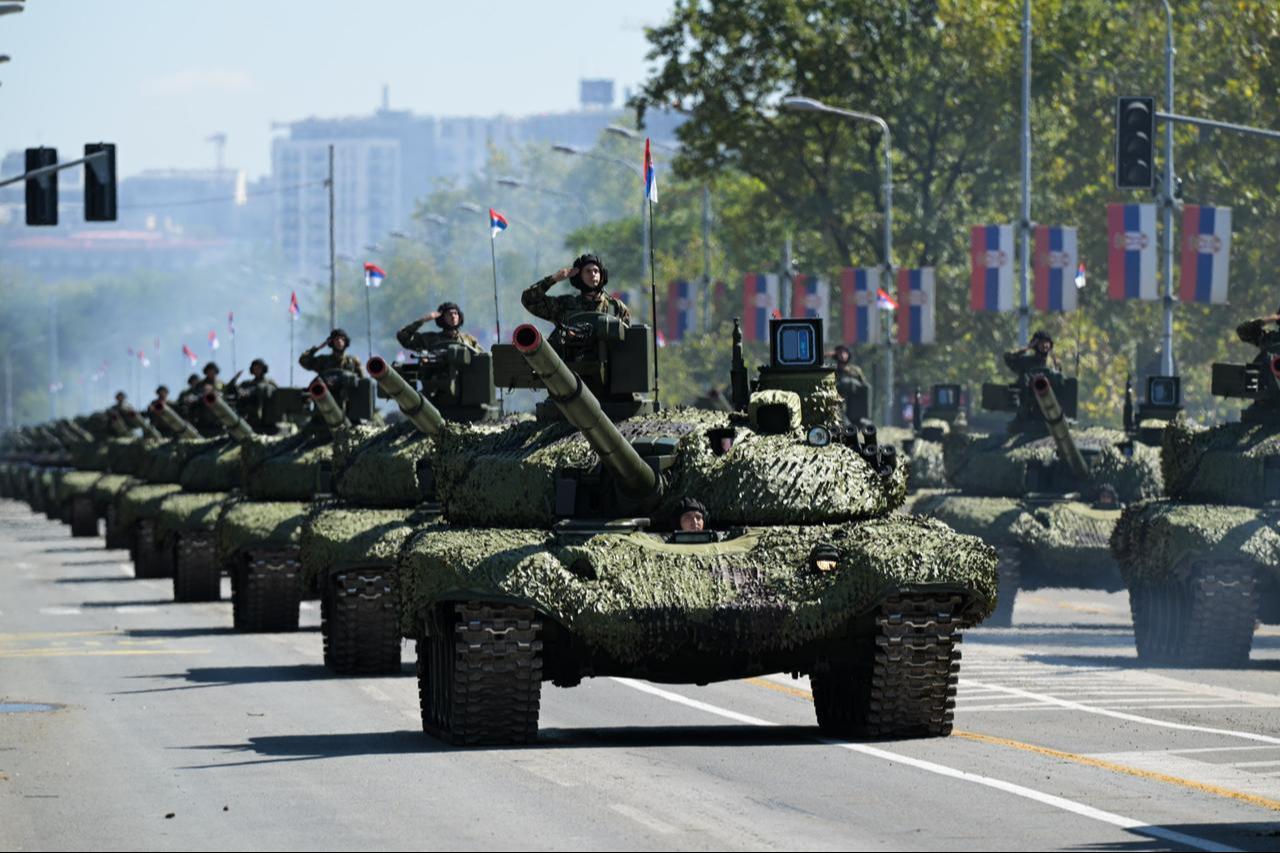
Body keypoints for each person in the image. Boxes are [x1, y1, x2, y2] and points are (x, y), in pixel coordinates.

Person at [521, 254, 631, 326]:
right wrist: (553, 279)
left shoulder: (616, 308)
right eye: (588, 271)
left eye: (596, 271)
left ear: (602, 275)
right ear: (579, 277)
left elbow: (628, 341)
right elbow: (528, 300)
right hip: (572, 361)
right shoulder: (565, 305)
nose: (593, 274)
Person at [396, 302, 481, 355]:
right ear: (442, 318)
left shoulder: (468, 340)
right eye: (449, 314)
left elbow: (483, 358)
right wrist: (423, 320)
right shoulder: (431, 339)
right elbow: (403, 337)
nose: (453, 316)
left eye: (455, 313)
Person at [299, 328, 364, 378]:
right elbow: (303, 360)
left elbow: (363, 380)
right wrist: (318, 348)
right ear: (332, 343)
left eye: (342, 339)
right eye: (336, 339)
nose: (339, 341)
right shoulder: (323, 360)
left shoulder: (353, 361)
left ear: (345, 342)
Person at [235, 358, 278, 434]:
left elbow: (275, 393)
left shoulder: (270, 382)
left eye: (259, 368)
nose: (257, 371)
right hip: (250, 419)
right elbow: (236, 390)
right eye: (254, 369)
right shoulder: (247, 384)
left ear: (263, 369)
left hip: (266, 419)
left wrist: (253, 391)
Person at [831, 345, 869, 426]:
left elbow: (864, 387)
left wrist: (851, 383)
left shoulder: (855, 370)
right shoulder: (832, 371)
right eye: (840, 352)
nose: (842, 355)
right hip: (838, 402)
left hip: (853, 405)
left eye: (844, 352)